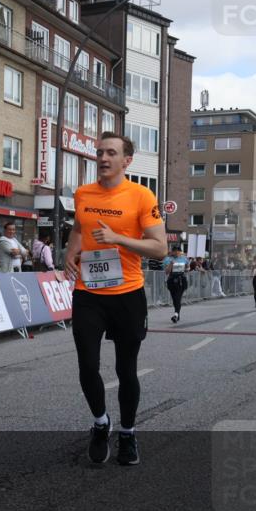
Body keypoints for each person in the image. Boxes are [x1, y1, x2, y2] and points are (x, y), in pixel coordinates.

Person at [64, 131, 167, 467]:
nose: (104, 159)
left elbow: (160, 248)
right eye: (99, 153)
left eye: (111, 153)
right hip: (89, 294)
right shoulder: (83, 193)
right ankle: (100, 422)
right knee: (87, 366)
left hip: (127, 294)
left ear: (127, 160)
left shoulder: (140, 196)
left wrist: (117, 238)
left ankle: (127, 432)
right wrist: (71, 251)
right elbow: (79, 227)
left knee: (126, 369)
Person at [164, 246, 188, 323]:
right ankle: (177, 314)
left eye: (178, 251)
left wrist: (186, 269)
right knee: (175, 299)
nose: (177, 252)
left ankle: (176, 315)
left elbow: (188, 267)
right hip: (172, 280)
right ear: (173, 252)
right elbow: (167, 272)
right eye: (175, 251)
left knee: (178, 297)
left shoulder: (184, 258)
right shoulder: (168, 259)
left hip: (181, 280)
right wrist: (171, 264)